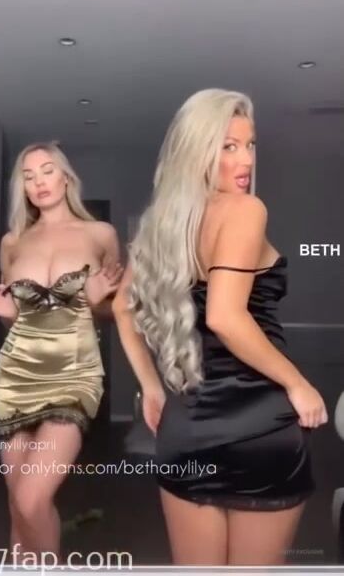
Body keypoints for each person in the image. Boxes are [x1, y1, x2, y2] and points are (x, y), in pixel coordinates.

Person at [112, 89, 328, 566]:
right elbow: (225, 317)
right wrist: (298, 383)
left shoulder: (160, 224)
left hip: (185, 426)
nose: (245, 159)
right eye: (228, 146)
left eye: (249, 145)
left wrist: (152, 387)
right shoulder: (247, 210)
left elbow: (124, 308)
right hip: (260, 427)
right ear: (197, 151)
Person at [0, 140, 122, 562]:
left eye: (47, 171)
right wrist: (7, 312)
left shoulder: (101, 234)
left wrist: (96, 302)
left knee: (31, 498)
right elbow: (18, 318)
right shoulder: (12, 242)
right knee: (18, 503)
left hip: (74, 374)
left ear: (66, 177)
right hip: (16, 377)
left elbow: (115, 312)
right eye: (28, 176)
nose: (39, 182)